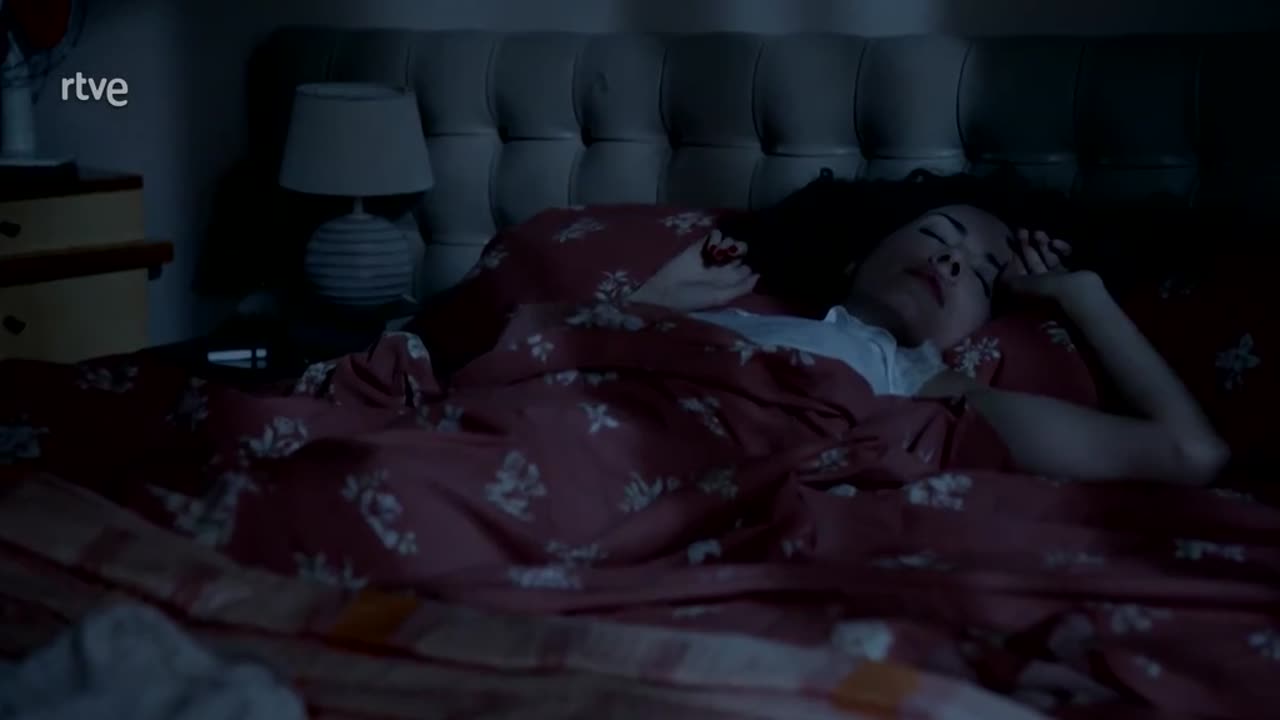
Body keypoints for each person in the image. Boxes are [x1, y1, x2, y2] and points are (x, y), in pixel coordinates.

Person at [625, 170, 1229, 486]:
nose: (949, 260)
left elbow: (1191, 453)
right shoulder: (733, 317)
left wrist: (1081, 293)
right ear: (857, 259)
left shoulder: (921, 384)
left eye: (981, 276)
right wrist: (649, 305)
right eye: (937, 236)